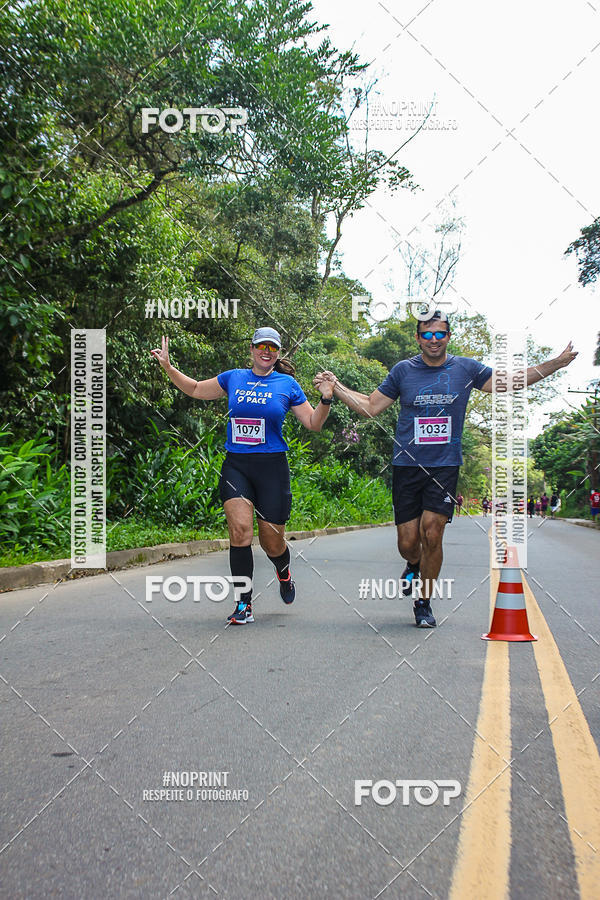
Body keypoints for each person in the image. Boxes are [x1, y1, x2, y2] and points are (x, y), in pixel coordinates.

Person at [315, 312, 577, 628]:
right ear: (418, 339)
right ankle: (413, 563)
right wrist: (336, 386)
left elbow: (508, 382)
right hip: (406, 466)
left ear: (449, 337)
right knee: (408, 543)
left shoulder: (466, 368)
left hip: (444, 466)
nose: (434, 340)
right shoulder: (403, 371)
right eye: (427, 334)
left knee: (432, 532)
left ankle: (423, 603)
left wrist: (555, 364)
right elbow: (370, 407)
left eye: (440, 334)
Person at [151, 327, 334, 625]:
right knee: (239, 532)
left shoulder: (287, 384)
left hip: (272, 468)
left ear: (277, 354)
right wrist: (169, 368)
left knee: (271, 543)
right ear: (251, 349)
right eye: (261, 345)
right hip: (237, 465)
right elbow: (196, 389)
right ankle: (243, 604)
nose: (266, 351)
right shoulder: (233, 377)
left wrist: (325, 400)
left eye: (272, 348)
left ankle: (283, 572)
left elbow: (313, 423)